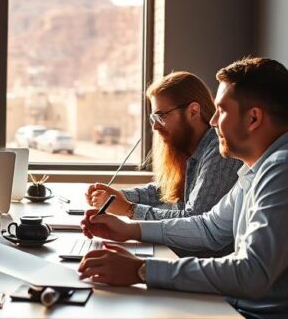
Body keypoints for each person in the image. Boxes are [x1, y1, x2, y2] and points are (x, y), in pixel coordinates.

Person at [79, 57, 288, 319]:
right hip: (251, 317)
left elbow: (251, 273)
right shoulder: (261, 168)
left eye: (222, 110)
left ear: (253, 118)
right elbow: (210, 229)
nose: (213, 121)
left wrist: (140, 270)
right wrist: (131, 229)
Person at [85, 71, 240, 221]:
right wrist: (117, 196)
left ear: (193, 111)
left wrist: (128, 209)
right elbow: (165, 189)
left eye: (161, 116)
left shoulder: (218, 152)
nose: (155, 127)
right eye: (154, 118)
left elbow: (193, 219)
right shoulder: (190, 146)